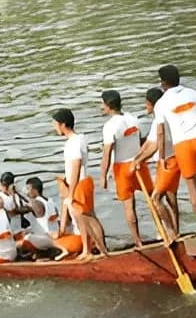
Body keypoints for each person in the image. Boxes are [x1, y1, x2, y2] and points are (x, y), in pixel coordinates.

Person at [152, 64, 196, 235]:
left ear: (163, 83)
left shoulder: (160, 103)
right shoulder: (194, 94)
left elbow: (160, 133)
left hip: (183, 145)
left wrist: (161, 157)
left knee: (193, 186)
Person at [51, 108, 106, 259]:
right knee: (86, 218)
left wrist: (70, 193)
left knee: (85, 218)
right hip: (83, 181)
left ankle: (95, 250)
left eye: (55, 124)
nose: (54, 127)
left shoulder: (73, 143)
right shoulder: (80, 138)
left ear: (63, 124)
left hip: (79, 183)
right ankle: (93, 249)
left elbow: (76, 165)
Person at [132, 86, 181, 239]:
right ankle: (175, 230)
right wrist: (137, 157)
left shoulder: (160, 121)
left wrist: (139, 160)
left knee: (156, 198)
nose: (145, 106)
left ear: (152, 104)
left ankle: (170, 232)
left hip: (168, 161)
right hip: (169, 160)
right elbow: (148, 143)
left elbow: (153, 147)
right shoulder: (158, 121)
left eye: (146, 103)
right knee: (170, 196)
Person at [98, 89, 146, 247]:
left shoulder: (109, 126)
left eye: (102, 104)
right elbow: (141, 141)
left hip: (122, 167)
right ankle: (169, 230)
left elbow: (107, 154)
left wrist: (103, 177)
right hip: (139, 163)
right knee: (155, 198)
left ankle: (138, 241)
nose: (101, 107)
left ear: (108, 105)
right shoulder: (133, 118)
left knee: (129, 205)